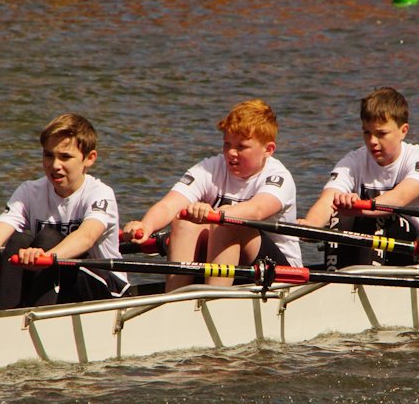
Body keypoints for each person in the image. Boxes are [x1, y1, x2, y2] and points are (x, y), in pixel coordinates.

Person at [0, 114, 129, 309]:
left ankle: (31, 320)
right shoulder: (29, 191)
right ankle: (6, 314)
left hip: (105, 288)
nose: (55, 165)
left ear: (89, 159)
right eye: (49, 155)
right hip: (57, 283)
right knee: (18, 240)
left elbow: (87, 237)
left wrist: (45, 258)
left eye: (65, 157)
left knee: (48, 237)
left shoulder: (100, 194)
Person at [123, 99, 302, 290]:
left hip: (280, 273)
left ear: (268, 150)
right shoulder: (211, 168)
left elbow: (257, 210)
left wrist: (214, 215)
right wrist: (146, 225)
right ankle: (174, 299)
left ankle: (214, 299)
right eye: (227, 144)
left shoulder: (278, 177)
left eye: (241, 147)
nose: (231, 153)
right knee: (184, 220)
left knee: (228, 223)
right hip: (230, 264)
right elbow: (169, 205)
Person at [301, 87, 419, 268]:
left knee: (379, 214)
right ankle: (340, 279)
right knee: (340, 213)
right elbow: (328, 200)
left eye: (381, 134)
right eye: (367, 133)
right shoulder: (353, 161)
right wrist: (310, 226)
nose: (372, 141)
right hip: (382, 249)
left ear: (403, 131)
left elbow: (399, 198)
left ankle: (365, 280)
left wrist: (357, 207)